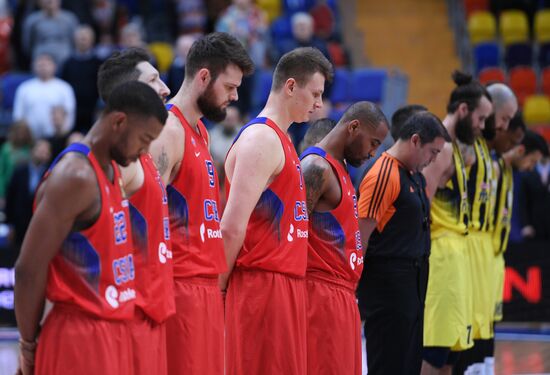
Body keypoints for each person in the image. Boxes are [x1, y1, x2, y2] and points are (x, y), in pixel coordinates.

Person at [14, 81, 168, 375]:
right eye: (144, 139)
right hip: (80, 336)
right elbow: (28, 270)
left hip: (113, 329)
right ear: (119, 122)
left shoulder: (111, 169)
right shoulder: (76, 176)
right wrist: (27, 345)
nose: (145, 151)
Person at [220, 46, 332, 375]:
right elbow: (231, 228)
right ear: (291, 86)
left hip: (282, 286)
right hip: (261, 288)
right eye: (315, 93)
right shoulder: (262, 140)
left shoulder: (280, 140)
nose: (319, 104)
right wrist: (218, 292)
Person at [148, 32, 254, 375]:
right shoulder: (168, 129)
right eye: (229, 87)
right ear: (204, 77)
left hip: (205, 285)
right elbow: (145, 212)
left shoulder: (200, 132)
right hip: (179, 286)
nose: (235, 96)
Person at [97, 48, 175, 375]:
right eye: (154, 79)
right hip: (130, 313)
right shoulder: (118, 164)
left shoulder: (140, 155)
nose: (165, 88)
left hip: (151, 311)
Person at [300, 101, 388, 375]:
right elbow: (293, 235)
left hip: (343, 295)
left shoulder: (341, 171)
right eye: (373, 143)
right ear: (353, 127)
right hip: (319, 295)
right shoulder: (316, 167)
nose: (374, 153)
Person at [359, 112, 450, 375]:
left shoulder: (413, 175)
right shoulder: (383, 174)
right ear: (415, 140)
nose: (433, 160)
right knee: (389, 365)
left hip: (412, 289)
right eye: (432, 152)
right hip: (388, 293)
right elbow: (359, 238)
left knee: (409, 366)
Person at [421, 71, 492, 375]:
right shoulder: (442, 147)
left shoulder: (457, 148)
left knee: (451, 353)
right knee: (434, 352)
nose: (482, 126)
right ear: (463, 110)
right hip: (441, 259)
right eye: (481, 118)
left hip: (455, 257)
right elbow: (420, 205)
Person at [454, 82, 517, 374]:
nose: (504, 127)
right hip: (465, 243)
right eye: (504, 119)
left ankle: (482, 367)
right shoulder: (466, 148)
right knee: (463, 325)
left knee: (480, 322)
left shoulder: (487, 155)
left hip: (484, 248)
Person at [13, 53, 76, 139]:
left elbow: (70, 114)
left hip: (57, 137)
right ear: (33, 66)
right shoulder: (24, 88)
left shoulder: (64, 88)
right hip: (30, 138)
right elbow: (18, 116)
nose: (43, 67)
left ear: (54, 66)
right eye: (40, 64)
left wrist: (62, 134)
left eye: (46, 64)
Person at [5, 139, 51, 248]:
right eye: (40, 150)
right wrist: (10, 224)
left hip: (39, 224)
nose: (42, 153)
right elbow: (10, 198)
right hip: (19, 223)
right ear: (32, 151)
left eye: (45, 151)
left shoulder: (50, 175)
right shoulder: (19, 171)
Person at [61, 25, 103, 134]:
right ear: (75, 40)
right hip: (73, 108)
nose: (82, 41)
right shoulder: (68, 63)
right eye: (80, 38)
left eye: (85, 38)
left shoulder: (98, 62)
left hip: (93, 108)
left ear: (92, 40)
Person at [21, 0, 78, 66]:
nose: (50, 1)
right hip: (41, 57)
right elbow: (27, 43)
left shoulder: (70, 19)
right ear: (40, 2)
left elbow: (75, 40)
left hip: (65, 58)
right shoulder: (32, 20)